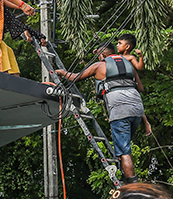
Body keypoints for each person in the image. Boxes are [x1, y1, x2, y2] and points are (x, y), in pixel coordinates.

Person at [56, 37, 152, 182]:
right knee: (122, 147)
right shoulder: (128, 64)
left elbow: (74, 77)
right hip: (137, 109)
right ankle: (126, 177)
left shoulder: (99, 65)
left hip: (120, 110)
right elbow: (140, 88)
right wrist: (146, 123)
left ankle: (132, 184)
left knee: (125, 152)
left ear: (103, 56)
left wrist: (62, 72)